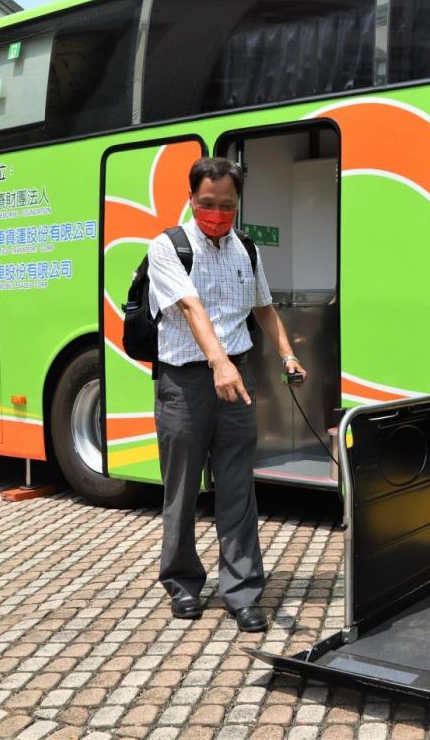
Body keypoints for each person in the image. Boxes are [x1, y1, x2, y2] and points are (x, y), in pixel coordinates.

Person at [147, 156, 306, 633]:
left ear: (239, 204)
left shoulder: (246, 249)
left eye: (227, 205)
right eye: (207, 204)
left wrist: (286, 355)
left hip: (236, 378)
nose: (216, 214)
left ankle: (242, 590)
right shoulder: (168, 247)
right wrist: (216, 362)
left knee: (238, 489)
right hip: (185, 382)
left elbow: (265, 308)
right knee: (181, 487)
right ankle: (182, 584)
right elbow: (192, 308)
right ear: (192, 198)